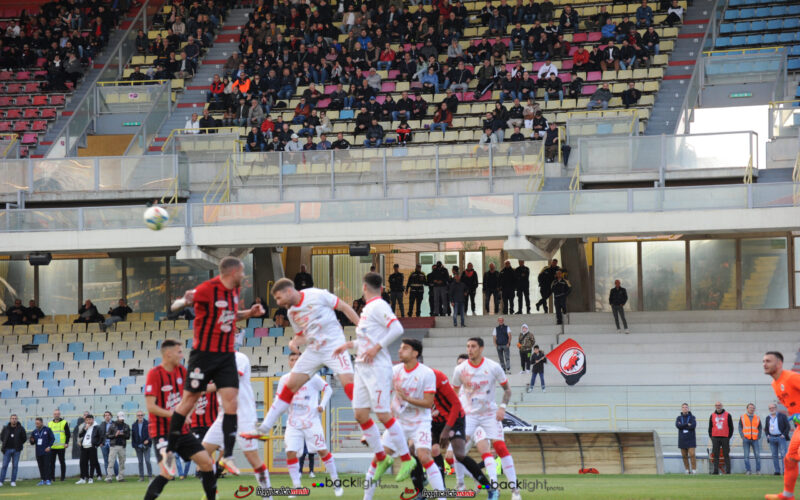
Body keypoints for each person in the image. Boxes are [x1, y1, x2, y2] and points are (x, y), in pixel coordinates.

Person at [166, 257, 265, 477]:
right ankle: (170, 452)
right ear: (232, 272)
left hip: (226, 355)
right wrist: (184, 301)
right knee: (188, 401)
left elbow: (230, 316)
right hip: (204, 355)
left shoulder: (234, 292)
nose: (244, 276)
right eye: (242, 272)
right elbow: (174, 306)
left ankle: (228, 457)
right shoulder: (207, 289)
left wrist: (249, 313)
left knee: (231, 402)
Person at [255, 280, 363, 465]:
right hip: (313, 351)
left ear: (289, 291)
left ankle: (366, 430)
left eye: (279, 297)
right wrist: (295, 342)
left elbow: (344, 307)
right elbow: (303, 334)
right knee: (289, 386)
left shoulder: (317, 294)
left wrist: (362, 327)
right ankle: (264, 427)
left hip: (334, 346)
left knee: (350, 385)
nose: (278, 303)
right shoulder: (291, 312)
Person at [331, 273, 417, 483]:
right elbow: (367, 340)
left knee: (383, 415)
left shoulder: (379, 306)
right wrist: (348, 345)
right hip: (361, 367)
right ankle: (382, 458)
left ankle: (407, 459)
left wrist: (378, 347)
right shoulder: (367, 309)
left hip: (377, 368)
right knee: (360, 414)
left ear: (364, 287)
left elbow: (397, 328)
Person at [368, 339, 444, 500]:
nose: (400, 351)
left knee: (424, 456)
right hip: (399, 423)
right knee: (379, 457)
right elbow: (384, 393)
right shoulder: (395, 371)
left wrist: (407, 398)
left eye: (405, 348)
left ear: (415, 353)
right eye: (400, 348)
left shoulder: (427, 373)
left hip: (420, 422)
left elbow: (429, 402)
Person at [144, 339, 218, 500]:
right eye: (179, 352)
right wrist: (177, 415)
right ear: (168, 354)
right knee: (168, 472)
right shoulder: (155, 374)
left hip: (183, 433)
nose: (182, 355)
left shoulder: (182, 371)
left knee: (206, 463)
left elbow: (196, 391)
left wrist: (222, 384)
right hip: (163, 434)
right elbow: (150, 407)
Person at [452, 337, 521, 500]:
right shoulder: (460, 370)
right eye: (468, 346)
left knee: (501, 449)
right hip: (469, 415)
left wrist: (503, 408)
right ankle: (461, 486)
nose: (470, 349)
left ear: (481, 348)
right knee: (458, 450)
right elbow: (454, 394)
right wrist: (456, 415)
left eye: (473, 346)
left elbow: (507, 390)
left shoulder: (493, 367)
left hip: (490, 414)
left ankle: (515, 491)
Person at [415, 361, 493, 496]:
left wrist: (446, 430)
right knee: (426, 450)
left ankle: (488, 486)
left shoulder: (438, 377)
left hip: (455, 418)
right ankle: (440, 490)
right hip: (434, 422)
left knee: (459, 455)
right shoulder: (412, 382)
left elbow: (456, 404)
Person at [260, 352, 335, 493]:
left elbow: (328, 389)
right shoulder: (284, 379)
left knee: (322, 450)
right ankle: (297, 485)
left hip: (312, 422)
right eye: (292, 359)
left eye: (297, 359)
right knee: (290, 452)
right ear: (289, 362)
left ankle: (335, 479)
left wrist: (322, 405)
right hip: (293, 423)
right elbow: (279, 401)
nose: (294, 362)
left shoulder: (312, 377)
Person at [205, 350, 272, 494]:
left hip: (244, 416)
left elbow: (230, 381)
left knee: (253, 459)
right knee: (202, 454)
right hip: (223, 416)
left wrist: (202, 388)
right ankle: (212, 492)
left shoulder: (239, 357)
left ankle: (268, 496)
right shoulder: (212, 361)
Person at [764, 351, 800, 500]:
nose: (764, 364)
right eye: (763, 361)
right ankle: (787, 495)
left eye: (768, 361)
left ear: (779, 364)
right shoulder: (775, 384)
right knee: (790, 458)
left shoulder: (791, 378)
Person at [766, 403, 791, 476]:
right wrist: (767, 435)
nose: (771, 409)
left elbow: (787, 427)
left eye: (773, 407)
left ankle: (785, 471)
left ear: (776, 408)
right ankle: (777, 471)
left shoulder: (782, 416)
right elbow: (766, 428)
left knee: (784, 455)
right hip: (771, 438)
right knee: (774, 455)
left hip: (781, 437)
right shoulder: (768, 417)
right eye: (770, 408)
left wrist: (784, 435)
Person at [75, 414, 101, 485]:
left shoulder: (97, 427)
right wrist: (85, 429)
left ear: (93, 419)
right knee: (82, 463)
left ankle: (91, 478)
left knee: (92, 463)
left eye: (90, 419)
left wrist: (96, 445)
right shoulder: (85, 426)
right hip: (84, 447)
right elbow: (80, 435)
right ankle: (82, 478)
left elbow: (101, 437)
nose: (88, 421)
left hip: (92, 447)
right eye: (87, 420)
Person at [709, 401, 733, 475]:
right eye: (716, 405)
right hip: (715, 437)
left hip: (725, 437)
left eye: (719, 405)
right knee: (716, 454)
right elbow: (710, 427)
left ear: (722, 405)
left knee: (726, 454)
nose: (718, 406)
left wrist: (728, 437)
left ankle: (728, 471)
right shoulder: (712, 415)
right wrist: (712, 436)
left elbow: (731, 427)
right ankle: (715, 471)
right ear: (715, 406)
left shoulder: (728, 415)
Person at [106, 411, 130, 482]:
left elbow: (128, 436)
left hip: (122, 446)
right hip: (114, 446)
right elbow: (107, 435)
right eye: (120, 418)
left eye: (122, 418)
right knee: (111, 462)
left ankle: (121, 477)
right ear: (117, 417)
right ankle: (109, 477)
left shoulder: (126, 426)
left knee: (122, 462)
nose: (122, 419)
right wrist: (115, 435)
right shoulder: (112, 425)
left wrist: (123, 434)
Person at [30, 417, 55, 485]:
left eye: (38, 423)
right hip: (38, 451)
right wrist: (32, 441)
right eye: (36, 423)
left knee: (47, 466)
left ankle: (48, 479)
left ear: (41, 423)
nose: (37, 425)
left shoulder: (47, 430)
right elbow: (32, 442)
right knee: (40, 466)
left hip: (46, 451)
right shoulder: (34, 431)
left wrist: (49, 446)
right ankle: (43, 479)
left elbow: (52, 439)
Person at [740, 403, 762, 475]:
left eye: (753, 408)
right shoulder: (742, 417)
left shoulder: (757, 417)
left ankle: (758, 471)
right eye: (750, 408)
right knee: (746, 456)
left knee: (757, 455)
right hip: (746, 439)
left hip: (755, 439)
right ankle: (748, 470)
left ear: (754, 409)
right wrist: (742, 436)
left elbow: (760, 427)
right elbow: (740, 427)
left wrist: (759, 436)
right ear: (747, 409)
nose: (751, 409)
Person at [48, 409, 70, 482]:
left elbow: (68, 434)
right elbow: (48, 435)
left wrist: (66, 442)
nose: (56, 415)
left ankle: (63, 477)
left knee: (62, 462)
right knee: (51, 463)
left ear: (59, 414)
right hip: (53, 446)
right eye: (55, 414)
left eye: (57, 414)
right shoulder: (50, 423)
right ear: (53, 415)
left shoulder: (64, 422)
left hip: (61, 446)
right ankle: (52, 477)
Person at [131, 410, 153, 481]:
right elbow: (133, 436)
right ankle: (141, 477)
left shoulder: (148, 423)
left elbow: (152, 433)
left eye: (141, 415)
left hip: (146, 446)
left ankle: (150, 476)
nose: (140, 416)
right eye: (138, 415)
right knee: (140, 462)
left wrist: (148, 440)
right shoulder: (134, 425)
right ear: (136, 416)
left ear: (143, 415)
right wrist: (134, 446)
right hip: (138, 447)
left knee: (147, 461)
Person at [675, 403, 697, 474]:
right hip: (682, 439)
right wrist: (687, 424)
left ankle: (694, 470)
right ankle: (687, 470)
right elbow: (678, 426)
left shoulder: (692, 417)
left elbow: (693, 426)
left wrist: (682, 425)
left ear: (688, 408)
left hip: (691, 439)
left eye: (686, 407)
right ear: (681, 409)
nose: (685, 408)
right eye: (683, 407)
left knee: (692, 454)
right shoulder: (678, 418)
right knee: (684, 456)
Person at [99, 411, 119, 479]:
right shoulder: (102, 424)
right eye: (105, 415)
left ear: (111, 416)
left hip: (112, 444)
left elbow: (117, 434)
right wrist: (100, 443)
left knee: (114, 460)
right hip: (104, 445)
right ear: (104, 417)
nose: (107, 416)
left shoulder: (115, 424)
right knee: (106, 460)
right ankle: (108, 475)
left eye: (108, 415)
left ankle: (117, 475)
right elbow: (100, 434)